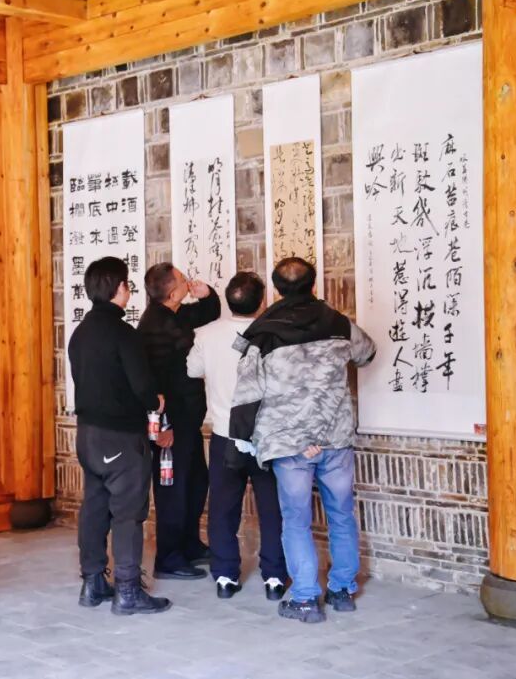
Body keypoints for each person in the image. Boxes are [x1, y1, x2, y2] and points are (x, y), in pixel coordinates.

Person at [229, 257, 376, 624]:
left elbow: (246, 392)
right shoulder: (338, 323)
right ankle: (342, 590)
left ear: (276, 289)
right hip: (334, 437)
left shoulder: (264, 333)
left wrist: (241, 439)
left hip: (290, 442)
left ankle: (306, 598)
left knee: (296, 520)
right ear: (313, 284)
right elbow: (367, 353)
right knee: (341, 513)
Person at [67, 256, 172, 615]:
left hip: (87, 436)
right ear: (118, 288)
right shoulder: (123, 334)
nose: (129, 290)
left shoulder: (80, 333)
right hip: (121, 438)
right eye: (127, 284)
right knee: (127, 512)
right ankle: (127, 591)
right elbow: (142, 386)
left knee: (95, 507)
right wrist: (156, 400)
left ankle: (92, 583)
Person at [187, 271, 288, 601]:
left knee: (222, 508)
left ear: (229, 301)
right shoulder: (275, 332)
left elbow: (192, 370)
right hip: (267, 435)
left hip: (225, 435)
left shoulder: (206, 334)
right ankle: (274, 577)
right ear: (262, 301)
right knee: (272, 508)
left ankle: (225, 576)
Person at [138, 262, 221, 580]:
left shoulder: (173, 314)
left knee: (196, 483)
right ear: (172, 293)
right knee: (172, 491)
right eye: (184, 280)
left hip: (187, 421)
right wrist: (161, 427)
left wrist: (207, 294)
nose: (189, 281)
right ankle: (169, 558)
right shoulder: (153, 327)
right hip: (169, 427)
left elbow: (207, 313)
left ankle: (189, 544)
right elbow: (150, 383)